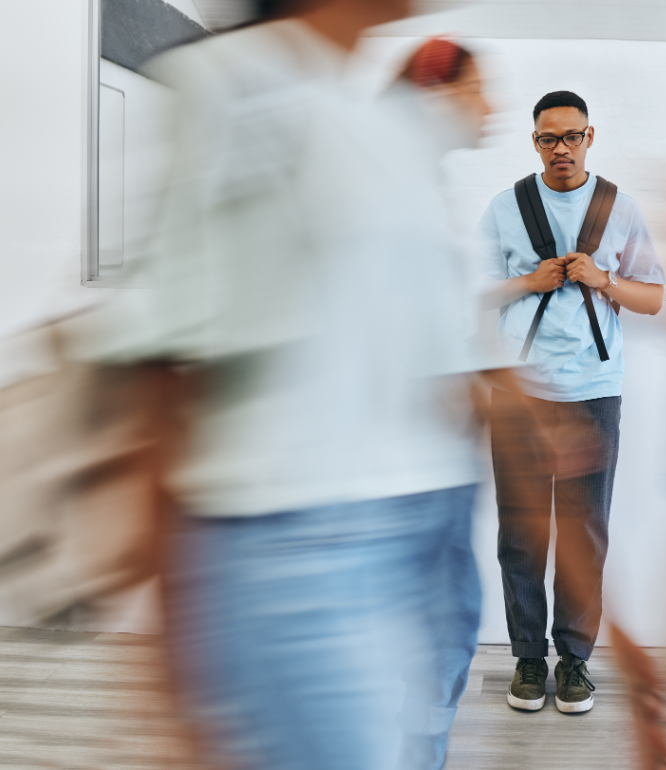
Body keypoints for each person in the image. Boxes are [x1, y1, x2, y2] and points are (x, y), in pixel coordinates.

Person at [80, 2, 502, 769]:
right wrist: (173, 641)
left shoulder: (378, 121)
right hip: (295, 544)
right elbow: (167, 360)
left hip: (411, 527)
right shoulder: (231, 82)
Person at [477, 90, 666, 714]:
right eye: (548, 138)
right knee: (522, 533)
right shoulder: (505, 208)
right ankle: (529, 659)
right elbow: (474, 296)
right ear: (533, 143)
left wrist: (604, 280)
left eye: (572, 136)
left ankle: (575, 663)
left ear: (591, 137)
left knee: (585, 534)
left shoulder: (621, 208)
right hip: (520, 393)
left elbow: (653, 299)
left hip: (593, 392)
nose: (561, 148)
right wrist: (528, 282)